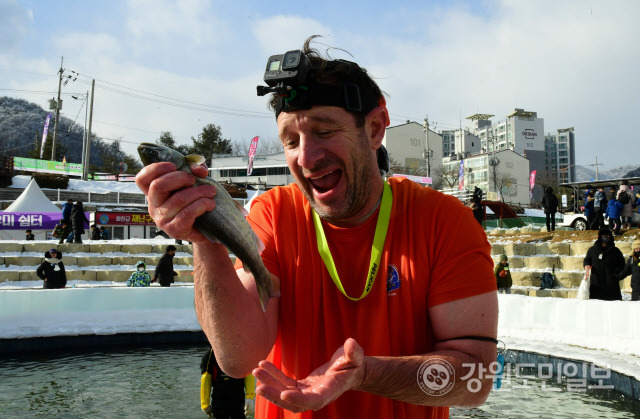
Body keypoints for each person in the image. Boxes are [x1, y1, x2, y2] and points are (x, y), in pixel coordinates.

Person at [136, 36, 498, 418]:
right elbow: (238, 357)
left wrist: (365, 374)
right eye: (290, 141)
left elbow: (476, 380)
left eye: (324, 132)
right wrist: (203, 235)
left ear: (375, 128)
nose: (306, 157)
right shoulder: (273, 214)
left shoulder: (444, 221)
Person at [200, 348, 256, 419]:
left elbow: (248, 373)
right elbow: (206, 378)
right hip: (219, 401)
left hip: (238, 401)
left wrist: (250, 397)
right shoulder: (210, 354)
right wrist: (205, 403)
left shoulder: (241, 351)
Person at [583, 228, 626, 301]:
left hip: (612, 285)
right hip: (596, 284)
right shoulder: (592, 250)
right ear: (599, 237)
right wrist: (586, 265)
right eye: (604, 236)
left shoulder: (615, 251)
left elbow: (622, 264)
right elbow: (587, 260)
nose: (605, 238)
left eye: (607, 237)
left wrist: (616, 274)